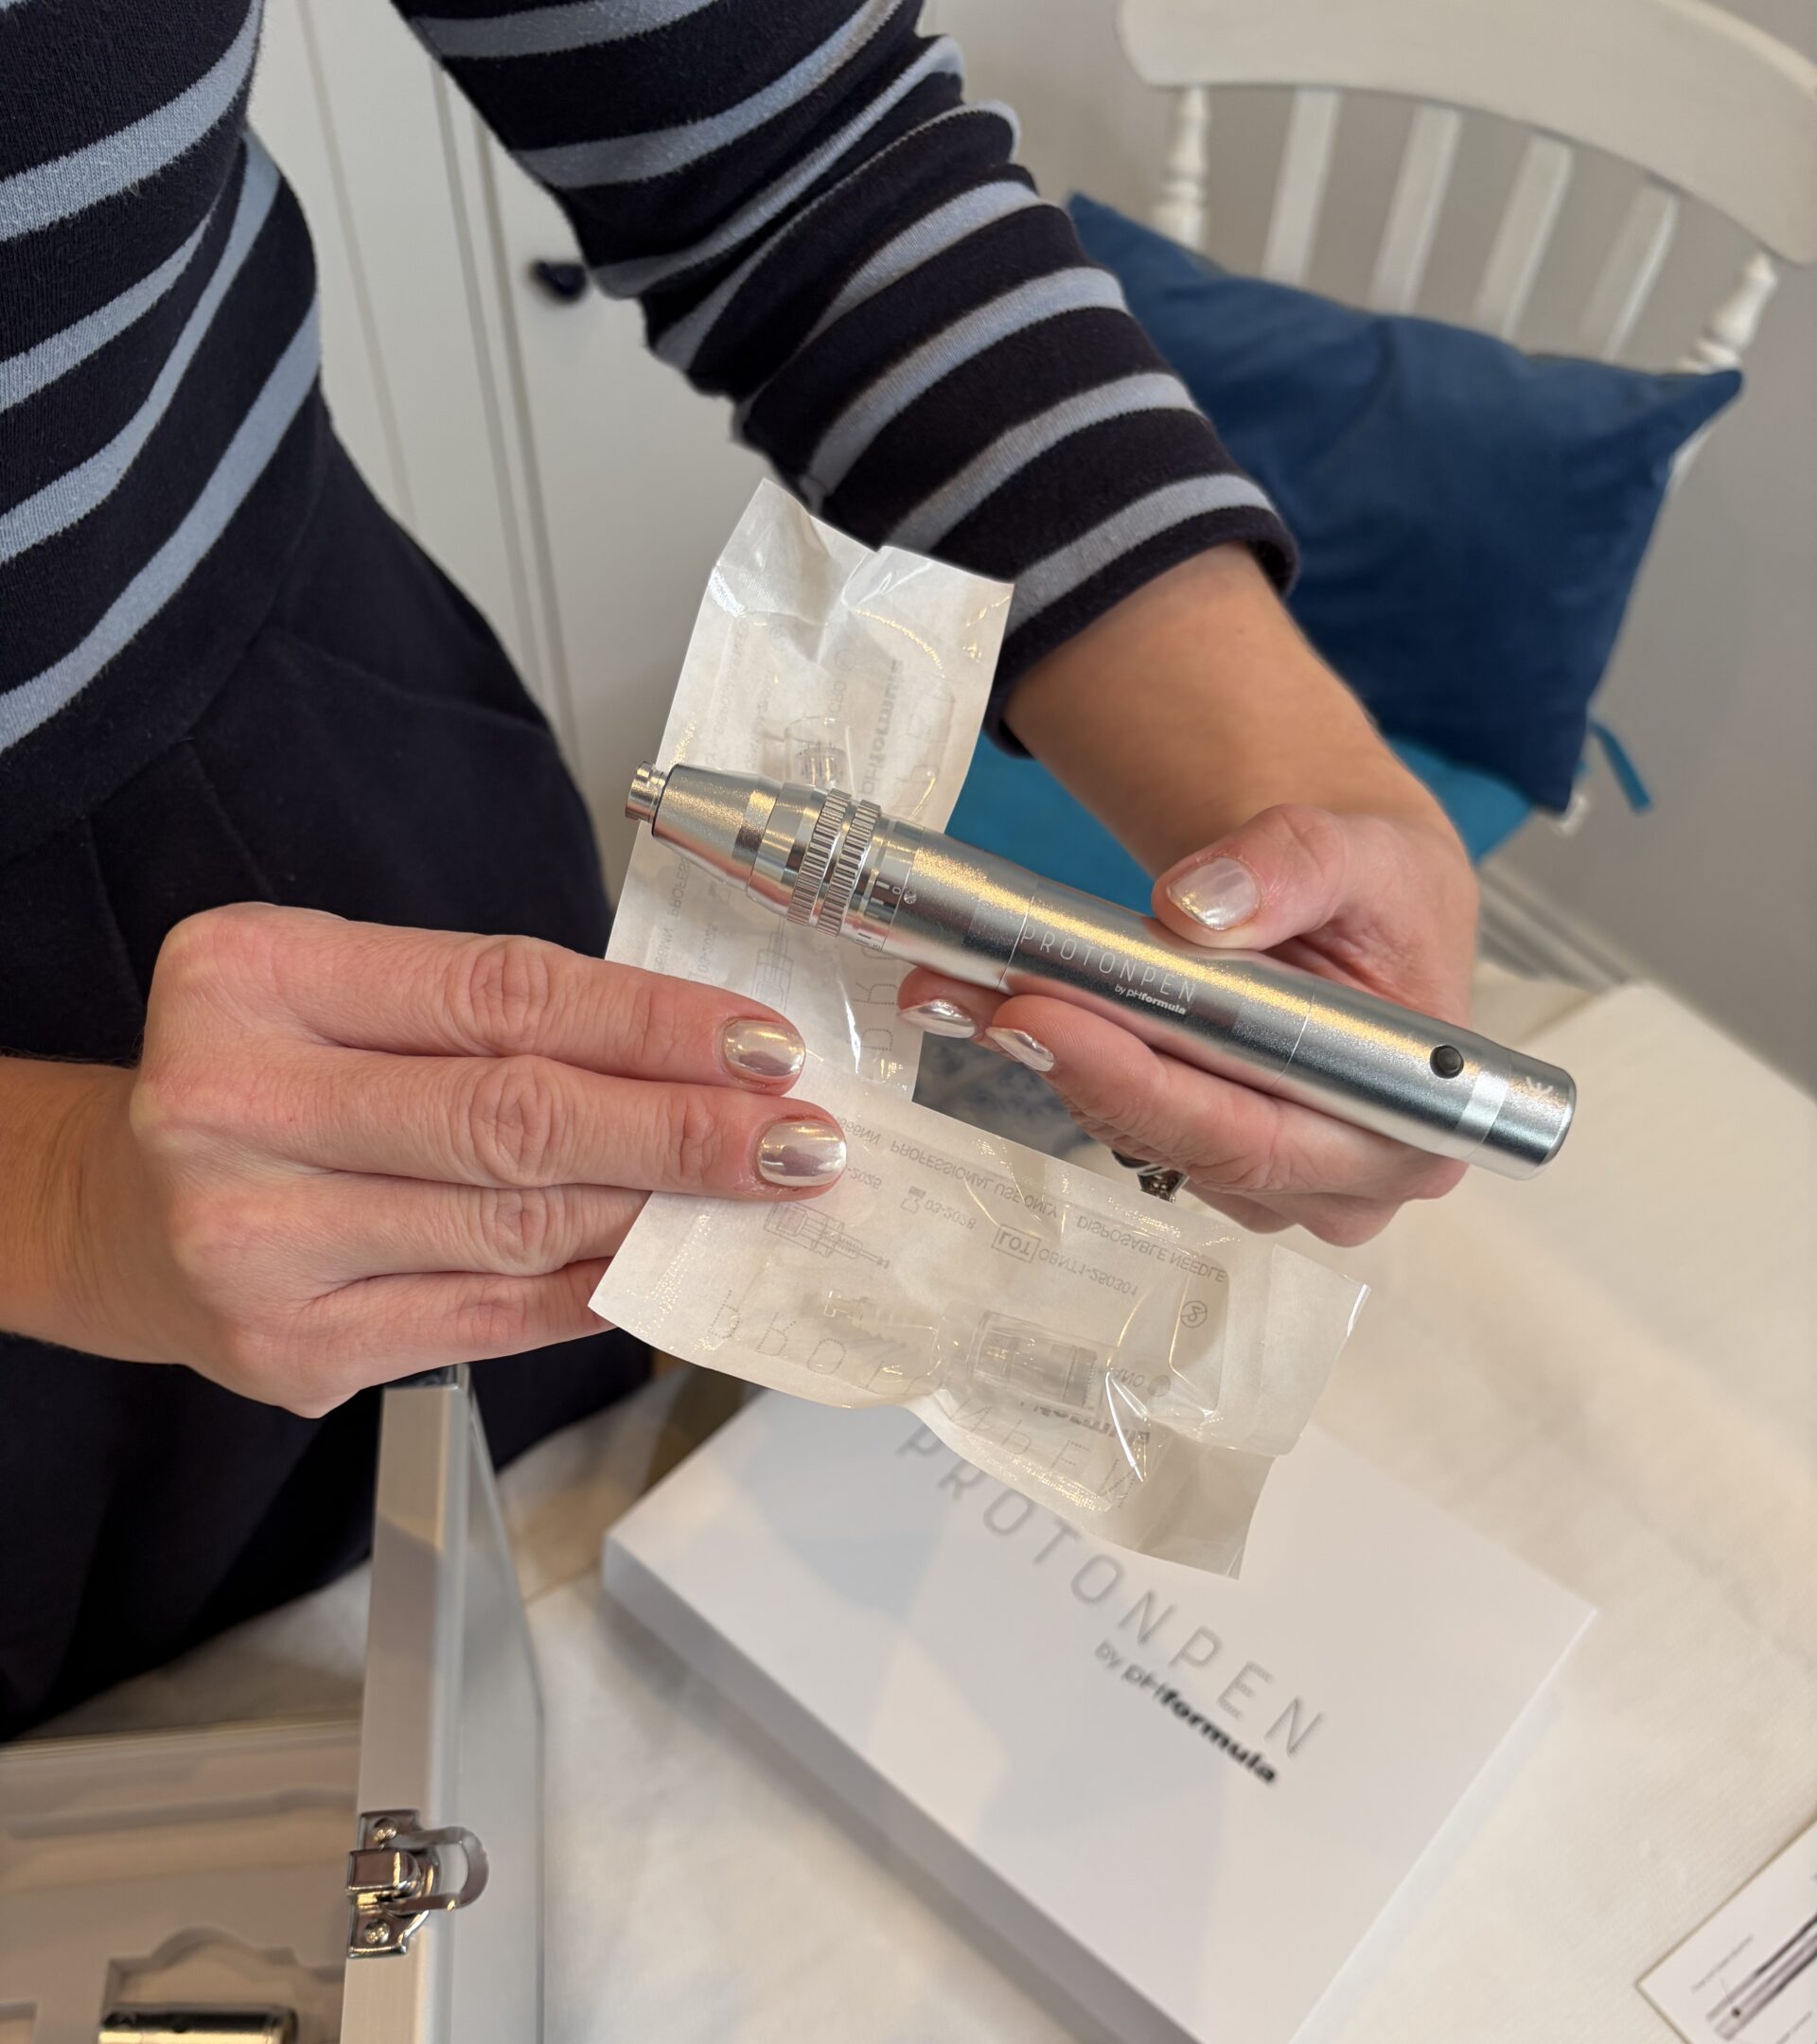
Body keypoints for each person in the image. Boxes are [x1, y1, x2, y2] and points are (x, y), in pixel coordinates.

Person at [0, 1, 1476, 1733]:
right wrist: (55, 1196)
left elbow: (796, 149)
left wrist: (1293, 776)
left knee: (597, 1597)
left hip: (316, 776)